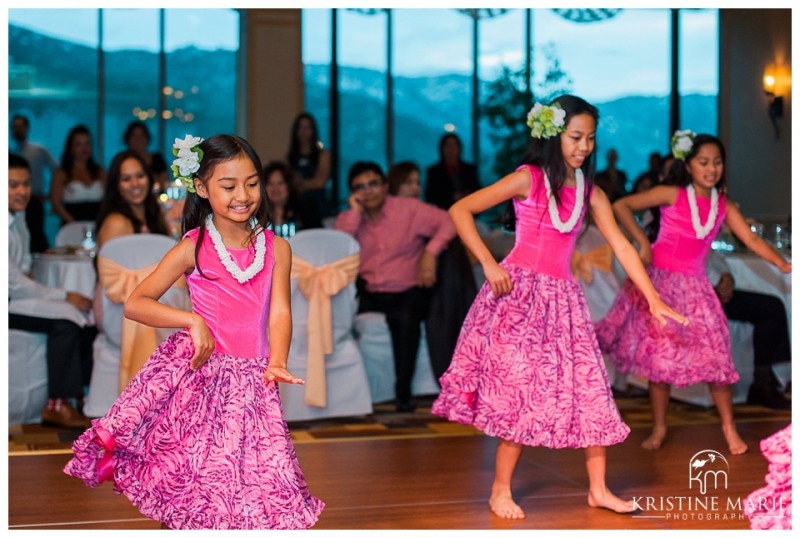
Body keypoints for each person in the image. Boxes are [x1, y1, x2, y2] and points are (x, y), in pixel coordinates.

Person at [431, 95, 687, 519]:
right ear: (554, 135)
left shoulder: (592, 193)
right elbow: (460, 210)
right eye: (575, 137)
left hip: (563, 302)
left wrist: (654, 298)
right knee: (519, 394)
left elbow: (622, 246)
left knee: (591, 389)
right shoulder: (527, 179)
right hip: (519, 297)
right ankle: (499, 490)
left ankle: (599, 489)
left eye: (590, 138)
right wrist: (489, 262)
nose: (584, 146)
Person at [63, 134, 325, 529]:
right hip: (201, 378)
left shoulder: (277, 248)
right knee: (197, 477)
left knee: (259, 481)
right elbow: (137, 302)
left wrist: (277, 360)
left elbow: (280, 313)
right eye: (229, 185)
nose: (243, 195)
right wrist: (191, 320)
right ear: (202, 188)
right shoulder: (194, 246)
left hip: (253, 382)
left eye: (252, 183)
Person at [595, 131, 791, 456]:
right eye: (703, 162)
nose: (711, 169)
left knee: (716, 358)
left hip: (698, 289)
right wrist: (643, 242)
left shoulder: (723, 205)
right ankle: (659, 428)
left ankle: (729, 428)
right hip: (660, 285)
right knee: (661, 362)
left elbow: (753, 240)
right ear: (689, 166)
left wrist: (780, 263)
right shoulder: (672, 194)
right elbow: (622, 205)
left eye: (716, 162)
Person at [335, 161, 456, 412]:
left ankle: (403, 392)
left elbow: (449, 221)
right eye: (360, 187)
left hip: (407, 289)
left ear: (385, 185)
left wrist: (430, 253)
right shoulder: (349, 219)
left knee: (405, 318)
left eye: (373, 184)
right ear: (353, 193)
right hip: (368, 291)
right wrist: (355, 212)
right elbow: (340, 247)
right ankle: (348, 397)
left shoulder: (408, 209)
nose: (368, 191)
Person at [8, 153, 95, 428]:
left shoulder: (17, 217)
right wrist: (63, 295)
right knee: (65, 322)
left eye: (25, 184)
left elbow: (21, 268)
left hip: (16, 297)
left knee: (85, 316)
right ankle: (56, 404)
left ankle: (81, 396)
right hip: (9, 301)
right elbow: (13, 283)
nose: (22, 191)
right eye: (12, 185)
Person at [707, 250, 791, 410]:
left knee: (771, 307)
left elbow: (711, 256)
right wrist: (716, 280)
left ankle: (765, 380)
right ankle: (763, 384)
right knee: (770, 309)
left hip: (714, 287)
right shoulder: (664, 228)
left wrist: (726, 276)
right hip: (692, 293)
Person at [94, 150, 170, 251]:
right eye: (126, 179)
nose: (135, 184)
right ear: (116, 185)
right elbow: (106, 265)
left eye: (140, 176)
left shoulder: (155, 214)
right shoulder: (115, 223)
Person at [10, 114, 59, 252]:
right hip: (10, 202)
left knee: (35, 235)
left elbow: (56, 168)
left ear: (27, 128)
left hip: (34, 199)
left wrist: (52, 192)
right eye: (14, 127)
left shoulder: (38, 150)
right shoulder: (10, 151)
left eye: (20, 126)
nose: (17, 130)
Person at [50, 124, 106, 225]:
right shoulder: (61, 173)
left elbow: (109, 199)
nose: (84, 149)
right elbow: (56, 205)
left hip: (97, 224)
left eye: (87, 144)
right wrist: (75, 224)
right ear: (70, 148)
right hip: (71, 225)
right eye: (79, 144)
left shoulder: (100, 172)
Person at [286, 112, 331, 229]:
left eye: (308, 127)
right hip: (297, 209)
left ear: (313, 130)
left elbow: (320, 182)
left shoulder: (323, 155)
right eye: (301, 127)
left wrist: (299, 183)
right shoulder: (290, 157)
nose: (304, 131)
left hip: (319, 208)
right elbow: (288, 184)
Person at [425, 132, 481, 210]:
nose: (451, 149)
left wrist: (467, 195)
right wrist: (451, 197)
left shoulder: (470, 170)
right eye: (448, 146)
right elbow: (430, 198)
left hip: (469, 212)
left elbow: (478, 191)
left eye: (454, 145)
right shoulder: (433, 172)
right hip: (443, 214)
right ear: (442, 148)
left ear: (459, 148)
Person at [122, 121, 169, 194]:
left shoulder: (157, 159)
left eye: (141, 135)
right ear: (128, 139)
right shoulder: (122, 161)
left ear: (147, 138)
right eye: (134, 136)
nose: (138, 139)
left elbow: (164, 184)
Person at [264, 160, 302, 239]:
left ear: (289, 186)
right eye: (270, 183)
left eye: (280, 183)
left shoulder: (305, 215)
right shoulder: (257, 219)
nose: (275, 189)